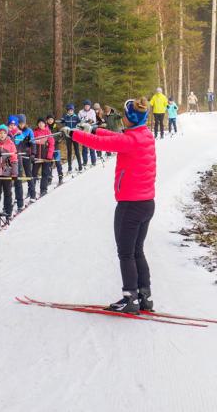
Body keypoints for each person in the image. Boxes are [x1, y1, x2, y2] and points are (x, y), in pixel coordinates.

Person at [62, 99, 157, 314]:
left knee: (126, 253)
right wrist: (94, 128)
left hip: (130, 205)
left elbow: (104, 144)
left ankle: (130, 298)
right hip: (146, 203)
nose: (122, 118)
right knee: (137, 251)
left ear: (130, 119)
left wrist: (73, 134)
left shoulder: (130, 141)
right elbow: (117, 138)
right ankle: (145, 296)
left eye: (124, 115)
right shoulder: (144, 135)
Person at [0, 123, 19, 227]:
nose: (2, 135)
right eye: (0, 133)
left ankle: (8, 212)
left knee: (8, 194)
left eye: (4, 133)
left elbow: (14, 159)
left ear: (7, 134)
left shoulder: (10, 144)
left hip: (7, 173)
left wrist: (15, 172)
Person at [14, 114, 36, 201]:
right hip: (17, 155)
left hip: (26, 154)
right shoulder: (15, 131)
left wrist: (33, 154)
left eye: (23, 123)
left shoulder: (29, 131)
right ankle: (18, 196)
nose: (21, 125)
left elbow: (33, 143)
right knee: (18, 175)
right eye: (20, 123)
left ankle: (32, 194)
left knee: (28, 174)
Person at [32, 118, 56, 196]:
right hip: (37, 157)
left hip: (46, 157)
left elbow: (52, 145)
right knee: (34, 173)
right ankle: (31, 190)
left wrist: (49, 156)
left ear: (44, 124)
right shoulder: (34, 132)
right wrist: (32, 154)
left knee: (45, 173)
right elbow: (32, 144)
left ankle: (43, 189)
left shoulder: (48, 132)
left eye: (42, 123)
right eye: (39, 123)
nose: (40, 124)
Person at [60, 104, 82, 172]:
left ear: (73, 110)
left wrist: (82, 123)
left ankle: (80, 166)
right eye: (69, 110)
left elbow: (80, 123)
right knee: (69, 151)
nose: (70, 111)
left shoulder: (76, 117)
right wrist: (61, 121)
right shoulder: (65, 117)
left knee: (77, 151)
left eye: (72, 110)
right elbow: (62, 121)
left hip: (75, 135)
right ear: (67, 111)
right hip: (68, 136)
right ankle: (69, 167)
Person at [45, 113, 65, 182]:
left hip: (56, 147)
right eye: (49, 119)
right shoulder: (45, 127)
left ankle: (60, 176)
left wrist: (59, 140)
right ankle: (49, 177)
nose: (50, 121)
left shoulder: (56, 127)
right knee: (49, 163)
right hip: (48, 148)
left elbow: (61, 135)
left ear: (53, 120)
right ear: (47, 120)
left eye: (51, 119)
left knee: (57, 162)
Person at [78, 100, 97, 167]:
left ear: (90, 106)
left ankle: (93, 161)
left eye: (88, 106)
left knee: (91, 146)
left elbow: (94, 121)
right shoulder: (80, 112)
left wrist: (91, 121)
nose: (87, 107)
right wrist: (83, 120)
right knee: (84, 147)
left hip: (91, 129)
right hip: (84, 131)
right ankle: (85, 161)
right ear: (84, 106)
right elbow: (79, 121)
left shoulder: (92, 111)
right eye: (86, 106)